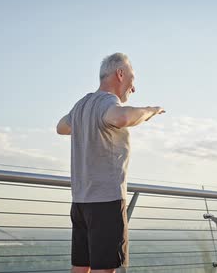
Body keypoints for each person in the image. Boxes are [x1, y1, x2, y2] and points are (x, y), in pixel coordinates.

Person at [56, 53, 165, 273]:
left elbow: (61, 127)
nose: (133, 87)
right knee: (104, 269)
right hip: (106, 201)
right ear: (120, 74)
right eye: (132, 79)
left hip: (80, 202)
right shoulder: (107, 102)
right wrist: (150, 111)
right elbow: (121, 118)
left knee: (80, 266)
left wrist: (85, 125)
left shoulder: (82, 104)